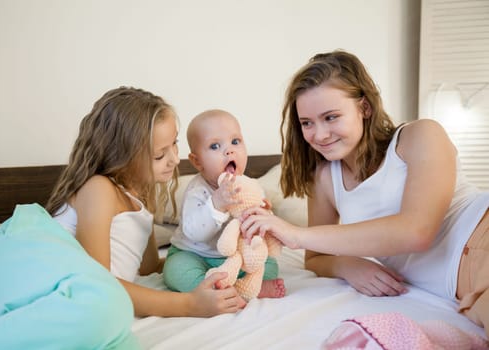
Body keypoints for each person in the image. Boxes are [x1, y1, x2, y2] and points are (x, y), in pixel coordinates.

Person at [241, 50, 489, 336]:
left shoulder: (419, 136)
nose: (319, 135)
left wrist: (294, 234)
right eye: (307, 122)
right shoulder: (324, 179)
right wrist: (348, 265)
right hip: (461, 288)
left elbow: (417, 231)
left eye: (331, 117)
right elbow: (316, 257)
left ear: (365, 108)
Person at [47, 87, 244, 317]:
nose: (173, 159)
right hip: (56, 290)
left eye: (174, 144)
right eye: (159, 155)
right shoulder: (98, 189)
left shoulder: (140, 195)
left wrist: (206, 262)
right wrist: (190, 304)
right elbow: (97, 283)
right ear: (122, 157)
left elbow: (149, 267)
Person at [162, 109, 286, 302]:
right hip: (195, 255)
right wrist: (217, 204)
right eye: (215, 146)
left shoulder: (250, 186)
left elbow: (257, 228)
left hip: (236, 259)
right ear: (197, 161)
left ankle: (247, 286)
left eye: (235, 142)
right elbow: (194, 232)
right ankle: (231, 290)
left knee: (269, 265)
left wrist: (263, 214)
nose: (229, 150)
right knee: (175, 270)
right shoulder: (197, 190)